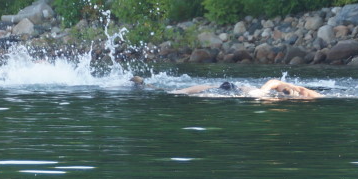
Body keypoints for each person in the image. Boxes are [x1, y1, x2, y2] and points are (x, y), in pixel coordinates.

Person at [133, 76, 323, 99]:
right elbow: (274, 81)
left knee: (175, 92)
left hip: (221, 89)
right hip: (230, 88)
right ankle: (146, 85)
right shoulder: (265, 92)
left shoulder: (265, 95)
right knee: (175, 92)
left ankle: (146, 85)